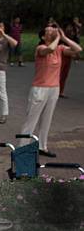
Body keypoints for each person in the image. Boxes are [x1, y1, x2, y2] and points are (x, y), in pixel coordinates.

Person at [19, 26, 82, 157]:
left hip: (54, 88)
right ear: (43, 37)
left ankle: (42, 146)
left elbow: (78, 49)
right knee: (32, 119)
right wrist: (58, 37)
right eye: (49, 30)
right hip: (40, 88)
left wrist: (64, 38)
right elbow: (50, 49)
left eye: (54, 29)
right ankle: (22, 148)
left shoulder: (60, 49)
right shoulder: (41, 48)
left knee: (47, 119)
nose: (53, 31)